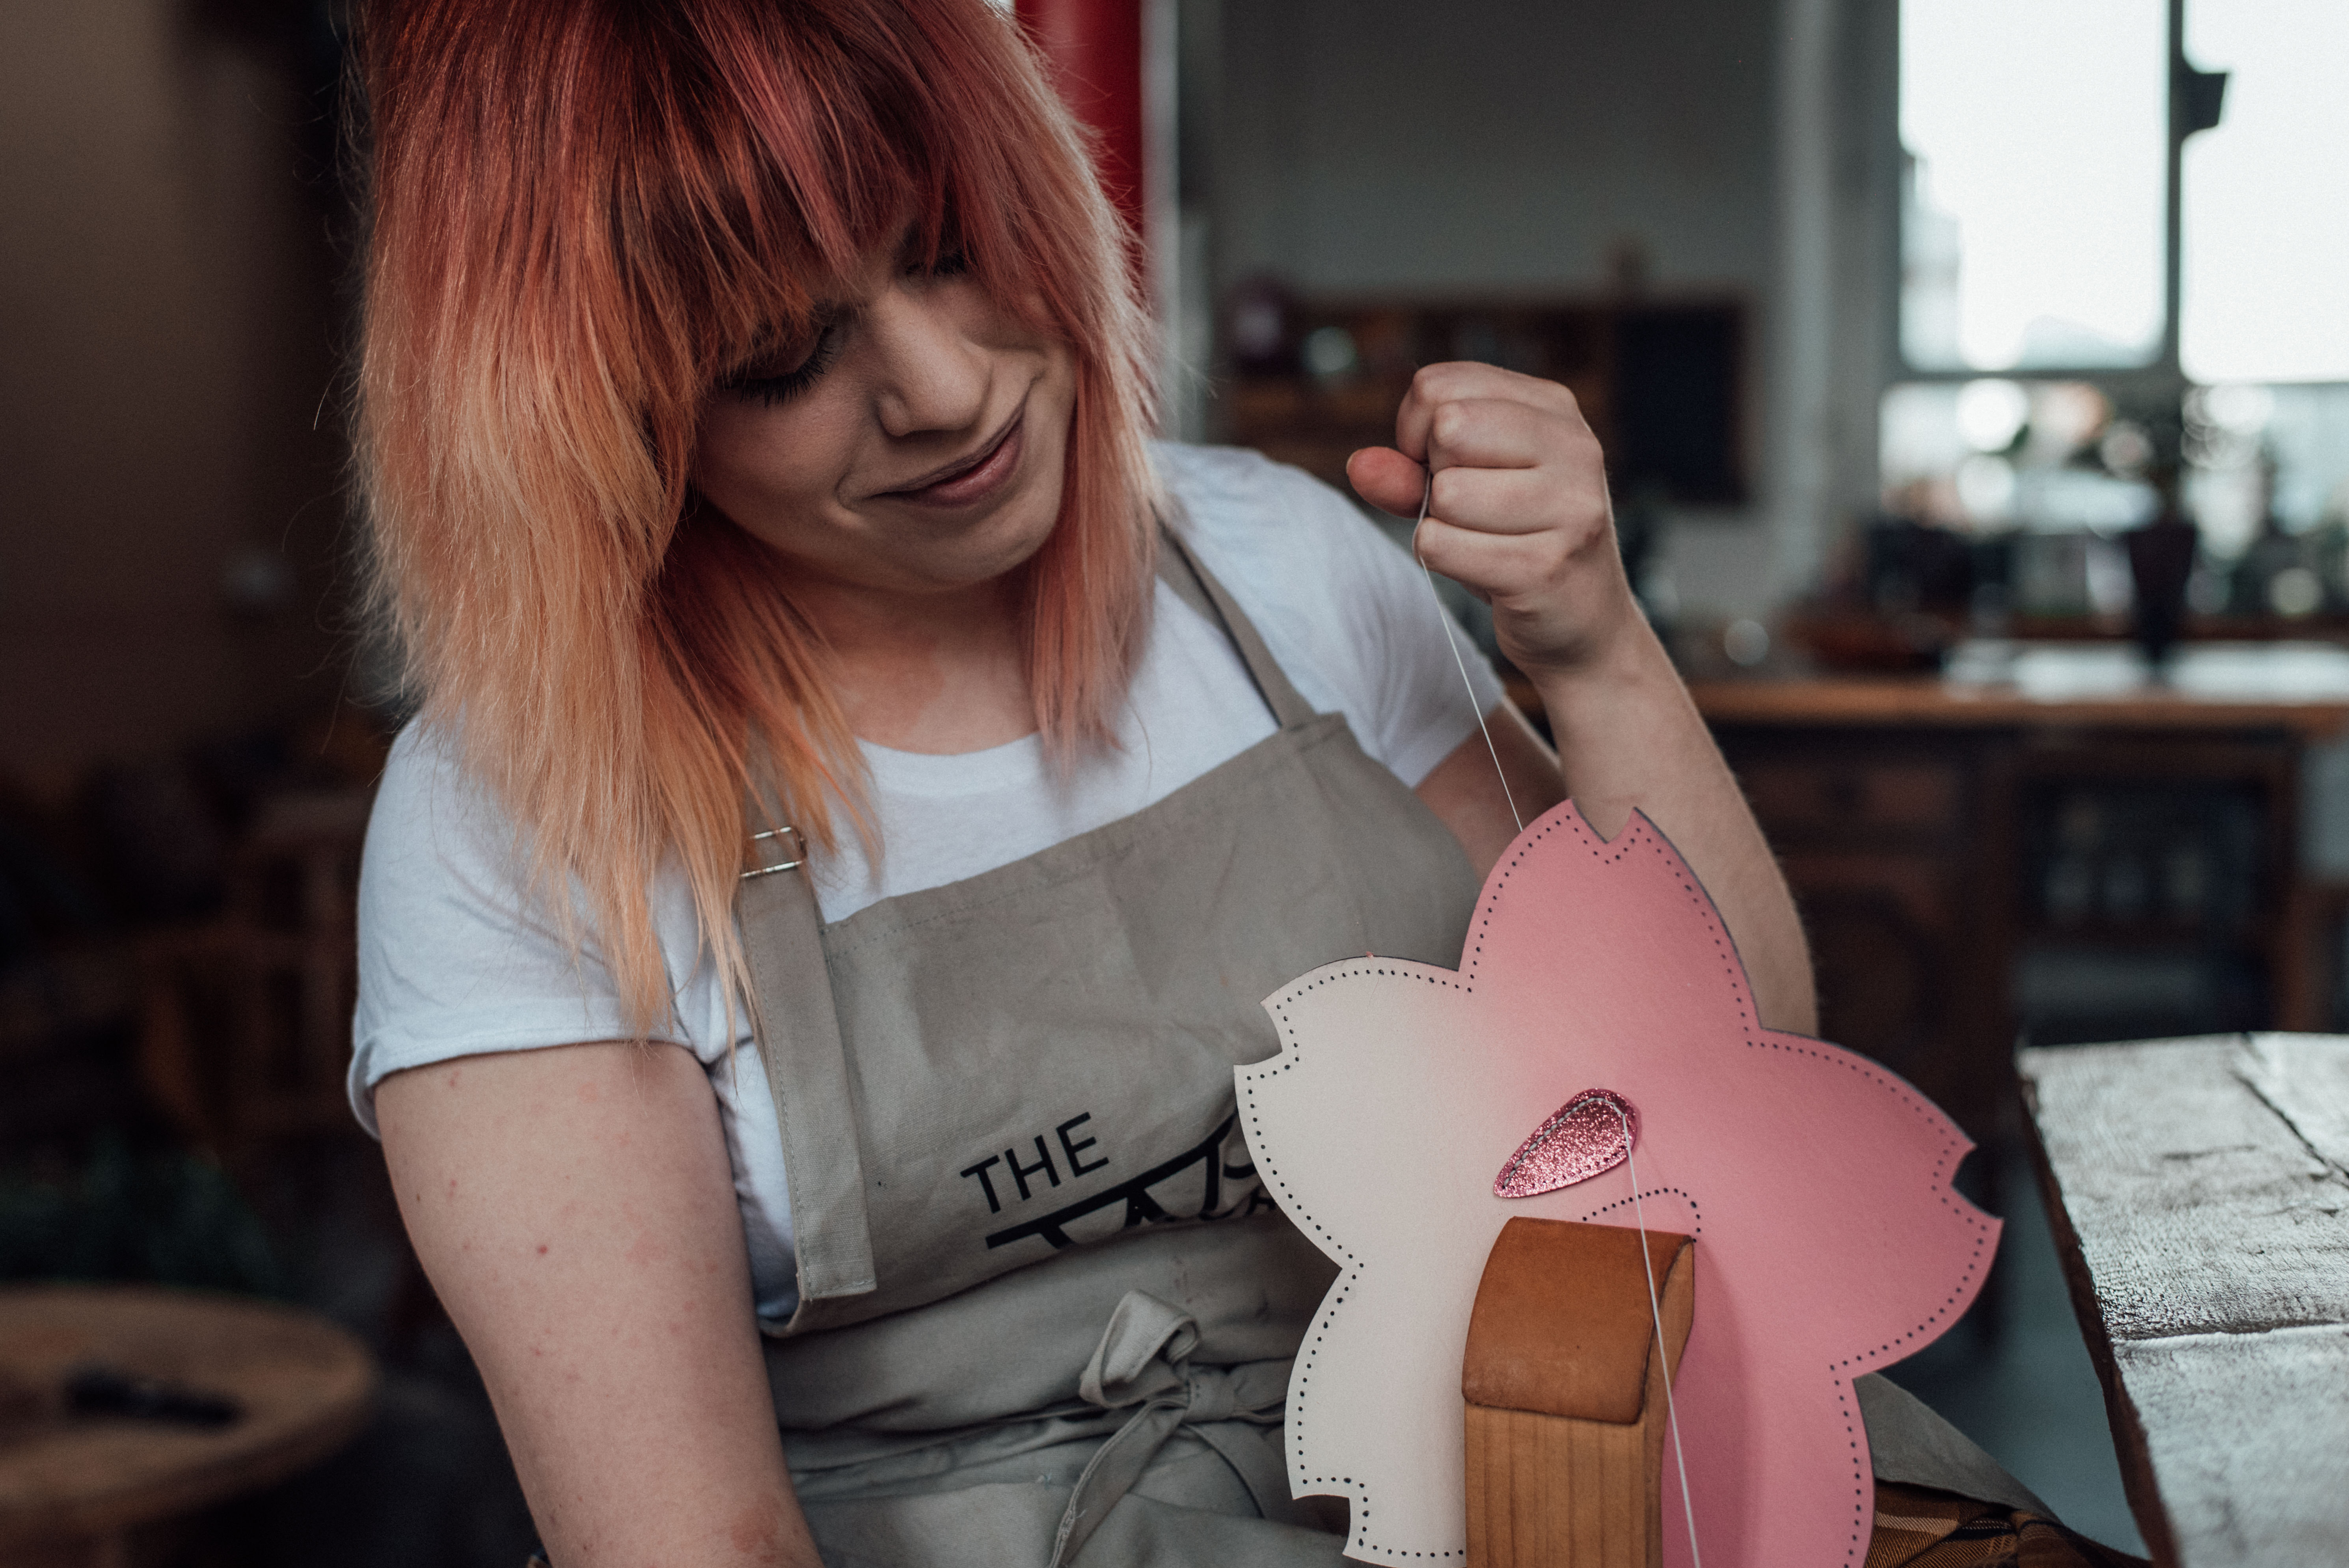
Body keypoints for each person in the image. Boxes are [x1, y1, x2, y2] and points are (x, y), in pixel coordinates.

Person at [349, 2, 1829, 1564]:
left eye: (949, 249)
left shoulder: (1279, 568)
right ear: (608, 416)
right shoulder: (510, 822)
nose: (942, 389)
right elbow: (695, 1541)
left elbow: (1725, 1104)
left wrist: (1595, 647)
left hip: (1498, 1488)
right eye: (781, 359)